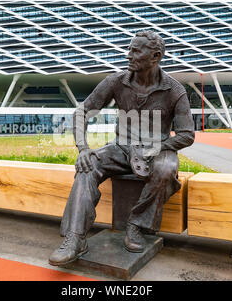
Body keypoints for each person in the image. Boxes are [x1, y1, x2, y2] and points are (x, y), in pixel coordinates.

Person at [49, 30, 195, 266]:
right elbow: (82, 112)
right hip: (121, 147)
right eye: (129, 49)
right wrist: (83, 148)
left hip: (157, 149)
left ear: (155, 56)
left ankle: (136, 224)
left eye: (136, 51)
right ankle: (75, 239)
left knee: (167, 168)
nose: (128, 55)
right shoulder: (116, 81)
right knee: (88, 165)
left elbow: (187, 135)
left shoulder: (174, 90)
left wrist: (155, 149)